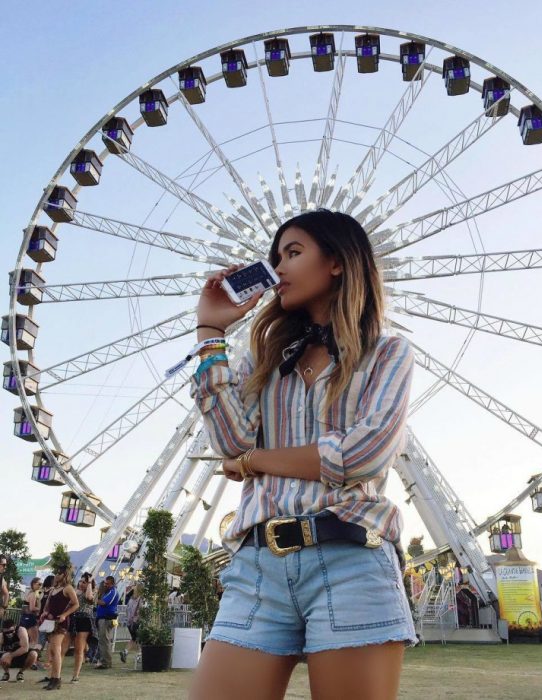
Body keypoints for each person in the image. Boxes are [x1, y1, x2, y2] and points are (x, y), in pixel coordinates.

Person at [190, 209, 417, 700]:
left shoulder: (387, 353)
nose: (277, 270)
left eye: (293, 253)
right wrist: (210, 332)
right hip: (256, 568)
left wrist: (254, 462)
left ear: (336, 261)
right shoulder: (265, 362)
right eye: (275, 258)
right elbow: (228, 440)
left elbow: (363, 455)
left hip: (350, 560)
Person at [38, 564, 79, 690]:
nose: (56, 575)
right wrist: (44, 612)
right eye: (56, 572)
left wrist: (64, 615)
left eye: (59, 573)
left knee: (56, 649)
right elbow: (48, 604)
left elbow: (76, 604)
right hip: (50, 621)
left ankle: (56, 679)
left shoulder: (68, 588)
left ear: (64, 575)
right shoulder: (53, 589)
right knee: (52, 650)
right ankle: (54, 678)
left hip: (60, 622)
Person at [69, 573, 95, 683]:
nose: (81, 584)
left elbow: (89, 598)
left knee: (79, 648)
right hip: (74, 619)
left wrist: (89, 584)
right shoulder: (76, 591)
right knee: (73, 647)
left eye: (84, 582)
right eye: (80, 581)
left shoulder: (93, 591)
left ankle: (76, 675)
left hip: (85, 620)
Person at [94, 576, 119, 670]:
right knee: (103, 640)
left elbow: (104, 603)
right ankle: (103, 660)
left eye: (107, 584)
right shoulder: (108, 592)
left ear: (112, 584)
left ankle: (106, 662)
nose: (105, 585)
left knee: (105, 640)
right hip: (103, 618)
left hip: (107, 619)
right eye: (105, 583)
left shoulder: (113, 592)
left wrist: (94, 599)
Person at [120, 583, 142, 664]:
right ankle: (139, 656)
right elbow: (140, 610)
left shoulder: (131, 599)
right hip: (137, 622)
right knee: (140, 639)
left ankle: (125, 651)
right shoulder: (140, 599)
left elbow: (127, 610)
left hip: (130, 623)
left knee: (134, 639)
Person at [22, 577, 42, 650]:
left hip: (25, 617)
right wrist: (40, 609)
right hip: (30, 617)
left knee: (29, 639)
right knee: (34, 640)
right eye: (39, 584)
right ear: (33, 584)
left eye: (41, 584)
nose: (40, 586)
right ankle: (32, 656)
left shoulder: (30, 593)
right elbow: (32, 608)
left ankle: (30, 655)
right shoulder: (33, 594)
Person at [0, 555, 9, 621]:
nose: (5, 567)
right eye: (3, 565)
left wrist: (3, 608)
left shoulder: (1, 578)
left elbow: (6, 594)